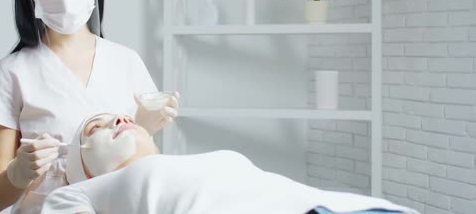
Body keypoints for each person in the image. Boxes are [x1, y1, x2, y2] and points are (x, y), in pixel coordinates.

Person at [0, 0, 180, 214]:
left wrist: (143, 127)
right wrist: (18, 173)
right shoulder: (14, 71)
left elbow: (145, 173)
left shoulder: (126, 61)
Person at [41, 113, 420, 214]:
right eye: (96, 127)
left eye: (122, 117)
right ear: (83, 166)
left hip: (329, 206)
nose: (117, 120)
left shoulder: (192, 162)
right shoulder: (84, 191)